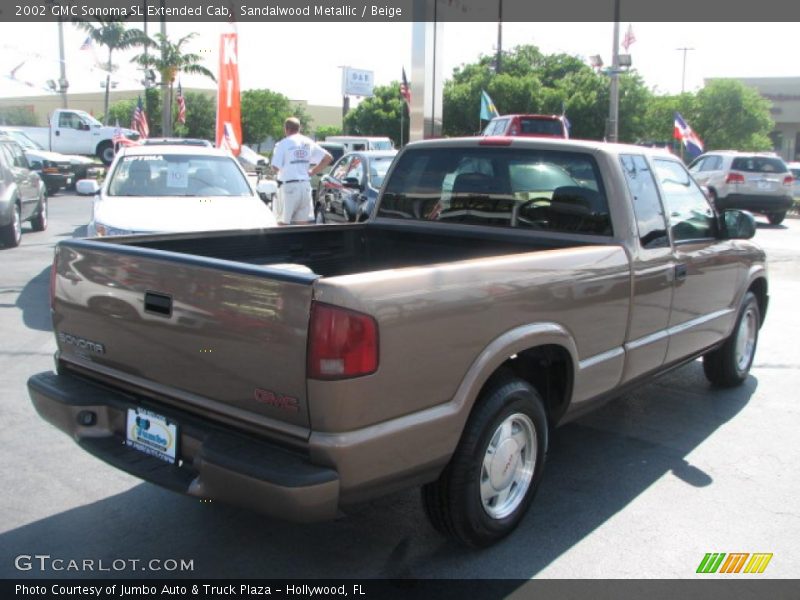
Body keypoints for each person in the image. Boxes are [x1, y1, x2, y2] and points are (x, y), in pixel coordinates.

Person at [270, 117, 332, 225]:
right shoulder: (308, 142)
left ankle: (285, 242)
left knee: (282, 223)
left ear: (286, 129)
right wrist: (312, 171)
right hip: (305, 186)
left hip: (289, 187)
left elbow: (275, 167)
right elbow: (328, 158)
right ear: (299, 128)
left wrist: (286, 169)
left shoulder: (283, 144)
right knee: (302, 224)